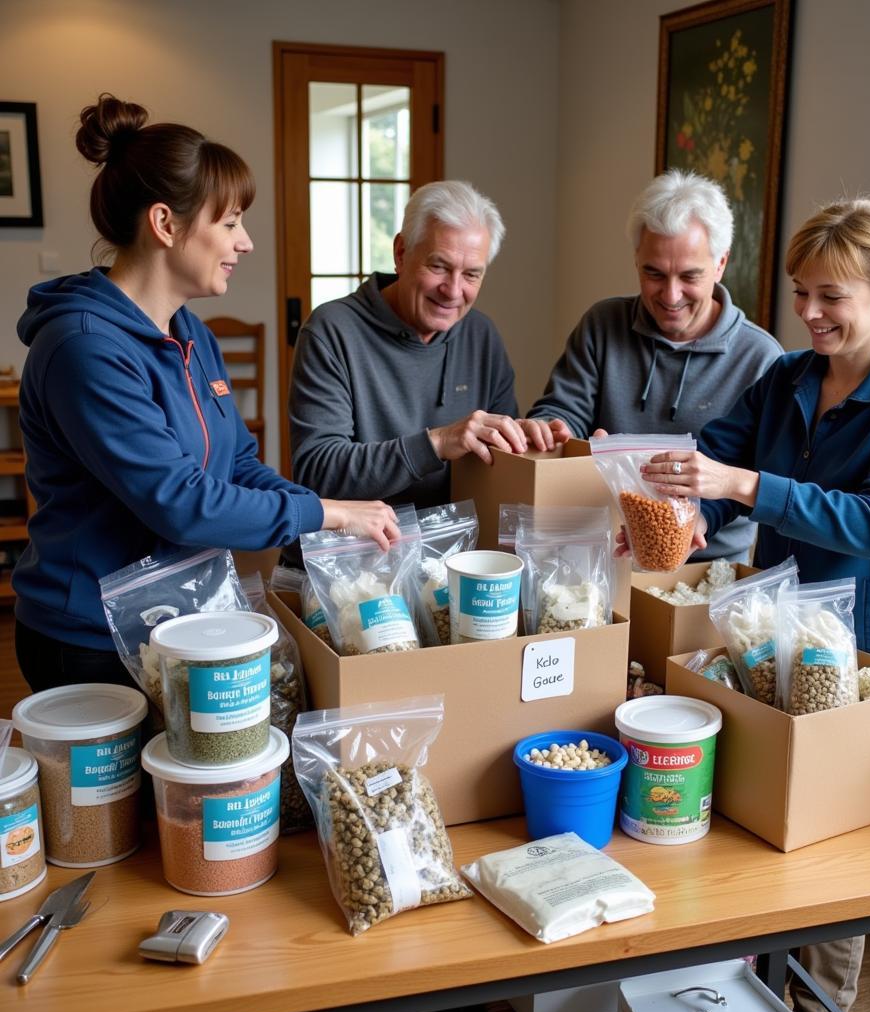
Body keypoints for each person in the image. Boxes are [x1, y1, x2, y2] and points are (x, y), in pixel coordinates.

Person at [636, 196, 870, 1012]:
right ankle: (751, 1000)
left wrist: (742, 489)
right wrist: (683, 516)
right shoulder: (788, 378)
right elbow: (715, 461)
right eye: (800, 291)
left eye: (832, 296)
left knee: (836, 869)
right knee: (767, 840)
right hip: (773, 645)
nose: (808, 312)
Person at [13, 94, 398, 694]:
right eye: (229, 222)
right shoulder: (83, 349)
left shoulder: (188, 329)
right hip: (89, 640)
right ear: (165, 224)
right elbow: (180, 501)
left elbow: (237, 464)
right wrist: (327, 511)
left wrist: (325, 525)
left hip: (173, 617)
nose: (244, 242)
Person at [519, 170, 782, 562]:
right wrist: (556, 433)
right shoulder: (603, 324)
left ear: (721, 264)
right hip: (602, 551)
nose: (671, 295)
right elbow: (562, 410)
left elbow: (759, 482)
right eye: (653, 273)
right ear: (636, 260)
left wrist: (698, 515)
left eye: (689, 276)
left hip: (705, 562)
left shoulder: (761, 358)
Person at [288, 180, 524, 510]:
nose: (453, 291)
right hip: (352, 553)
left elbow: (500, 461)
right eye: (439, 266)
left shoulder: (481, 336)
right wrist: (437, 443)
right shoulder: (331, 331)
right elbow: (317, 472)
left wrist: (527, 441)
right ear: (401, 253)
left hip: (454, 549)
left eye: (471, 274)